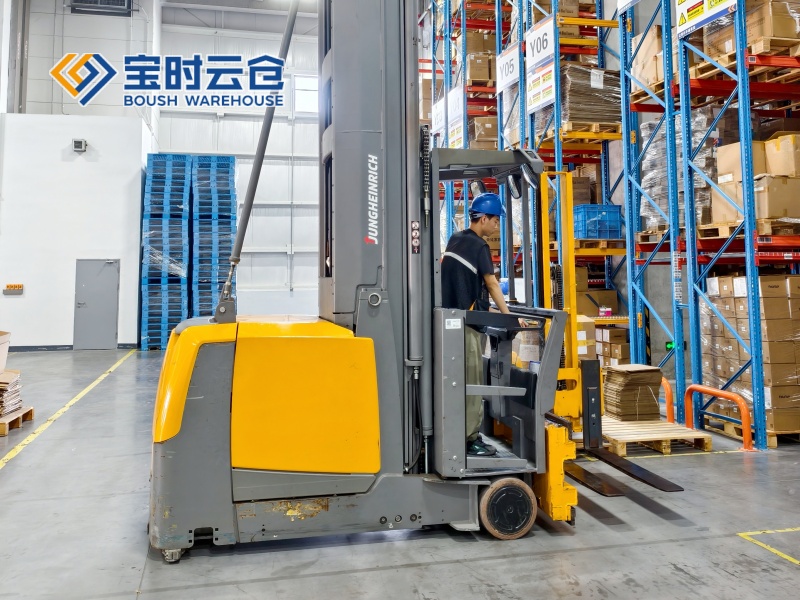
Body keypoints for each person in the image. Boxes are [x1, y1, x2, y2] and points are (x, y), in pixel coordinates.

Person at [441, 192, 514, 457]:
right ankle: (469, 439)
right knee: (471, 382)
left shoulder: (456, 239)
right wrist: (508, 317)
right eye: (495, 220)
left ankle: (455, 430)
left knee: (454, 381)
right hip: (468, 326)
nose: (496, 226)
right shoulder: (480, 246)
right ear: (483, 218)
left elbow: (465, 285)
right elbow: (491, 283)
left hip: (448, 322)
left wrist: (489, 308)